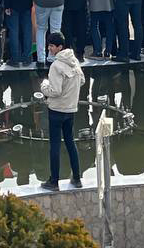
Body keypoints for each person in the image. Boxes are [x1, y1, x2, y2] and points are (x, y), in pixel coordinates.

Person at [38, 31, 84, 190]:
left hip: (56, 110)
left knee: (55, 146)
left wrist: (44, 86)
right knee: (71, 142)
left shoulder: (56, 65)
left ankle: (54, 181)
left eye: (51, 46)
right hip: (71, 109)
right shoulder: (75, 61)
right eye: (48, 45)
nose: (49, 48)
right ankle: (77, 178)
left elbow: (55, 91)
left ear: (59, 47)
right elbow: (82, 80)